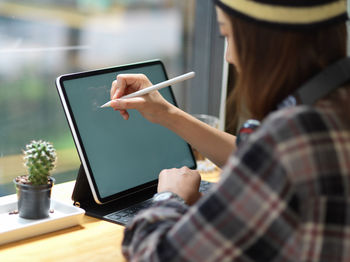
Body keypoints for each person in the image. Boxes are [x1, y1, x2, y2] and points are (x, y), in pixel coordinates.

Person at [110, 0, 350, 260]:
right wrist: (166, 113)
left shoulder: (292, 137)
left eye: (227, 35)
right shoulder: (333, 107)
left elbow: (157, 255)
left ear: (267, 42)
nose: (228, 56)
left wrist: (170, 197)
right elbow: (253, 155)